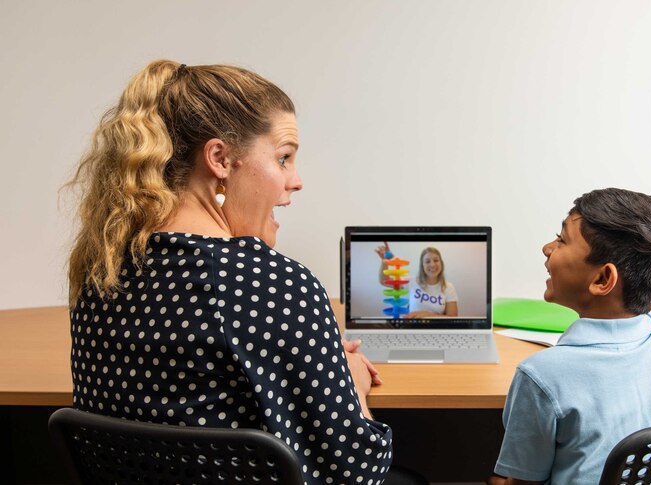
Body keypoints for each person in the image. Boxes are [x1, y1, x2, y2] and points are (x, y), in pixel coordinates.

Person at [66, 60, 425, 485]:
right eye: (284, 158)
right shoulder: (277, 285)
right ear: (220, 158)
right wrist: (352, 385)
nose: (296, 181)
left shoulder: (101, 272)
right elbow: (355, 472)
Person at [487, 188, 651, 485]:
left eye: (562, 240)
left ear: (602, 279)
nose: (547, 248)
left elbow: (523, 483)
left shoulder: (541, 375)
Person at [375, 244, 458, 317]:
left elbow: (453, 317)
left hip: (435, 330)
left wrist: (430, 315)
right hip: (411, 328)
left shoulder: (448, 287)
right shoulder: (412, 282)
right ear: (422, 265)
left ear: (441, 263)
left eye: (436, 260)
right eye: (427, 261)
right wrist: (384, 260)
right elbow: (384, 281)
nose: (432, 264)